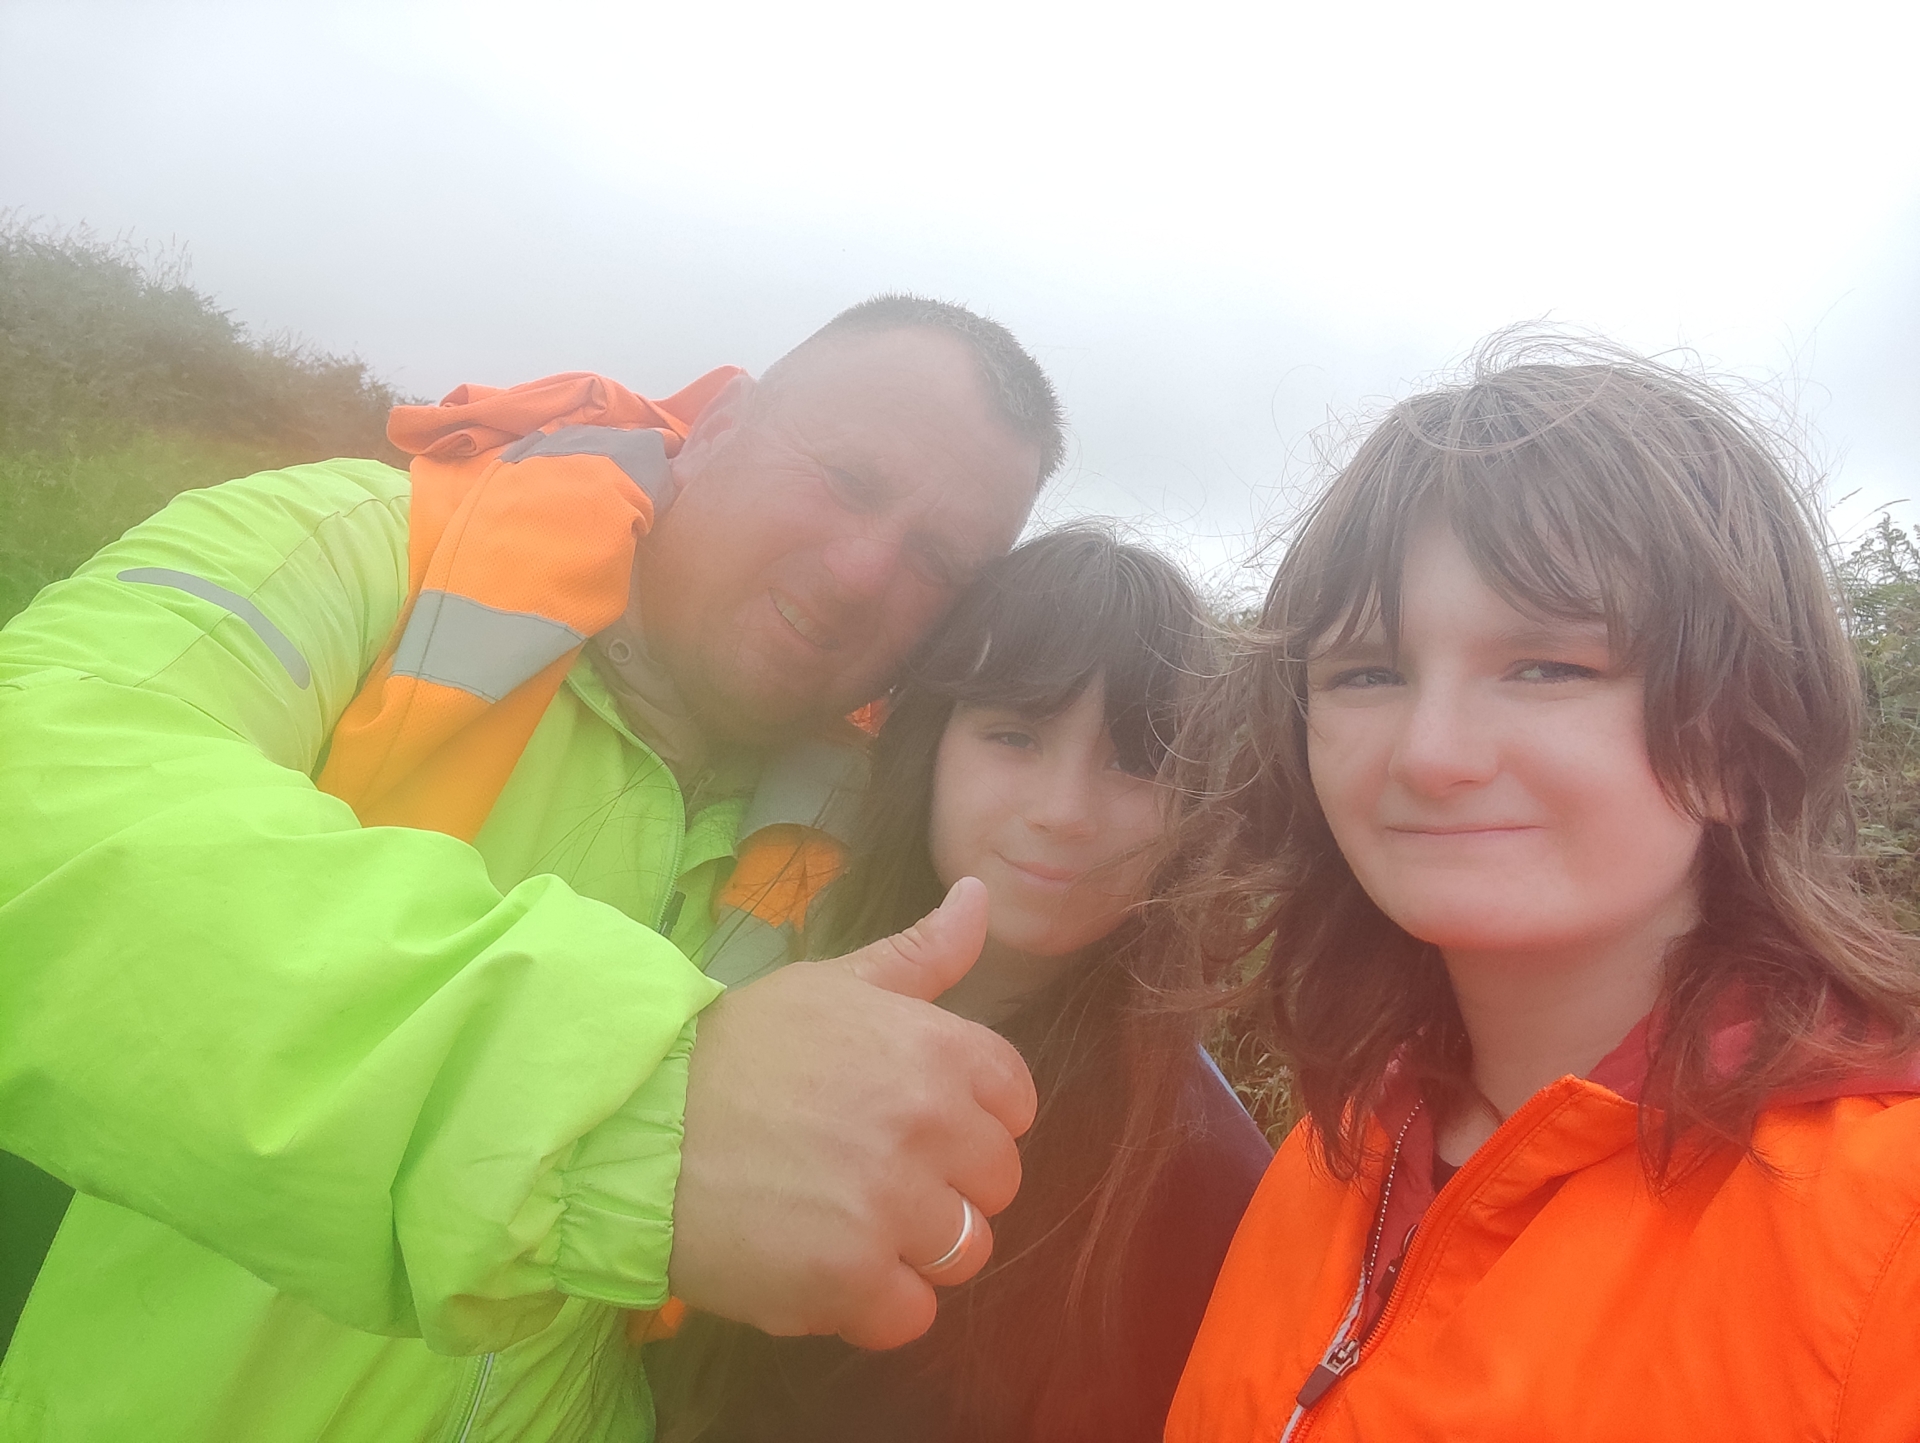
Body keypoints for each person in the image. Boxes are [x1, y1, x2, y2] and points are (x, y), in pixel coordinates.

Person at [0, 296, 1058, 1441]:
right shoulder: (360, 546)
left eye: (937, 563)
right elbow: (42, 792)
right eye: (847, 480)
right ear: (716, 429)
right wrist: (632, 1112)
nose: (860, 573)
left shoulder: (872, 831)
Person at [1161, 336, 1920, 1442]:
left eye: (1549, 668)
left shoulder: (1889, 1227)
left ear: (1740, 736)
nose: (1431, 753)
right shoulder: (1342, 1145)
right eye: (1367, 672)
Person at [647, 526, 1272, 1443]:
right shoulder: (732, 966)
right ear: (928, 747)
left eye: (1137, 760)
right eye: (1016, 735)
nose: (1063, 811)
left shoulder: (1205, 1185)